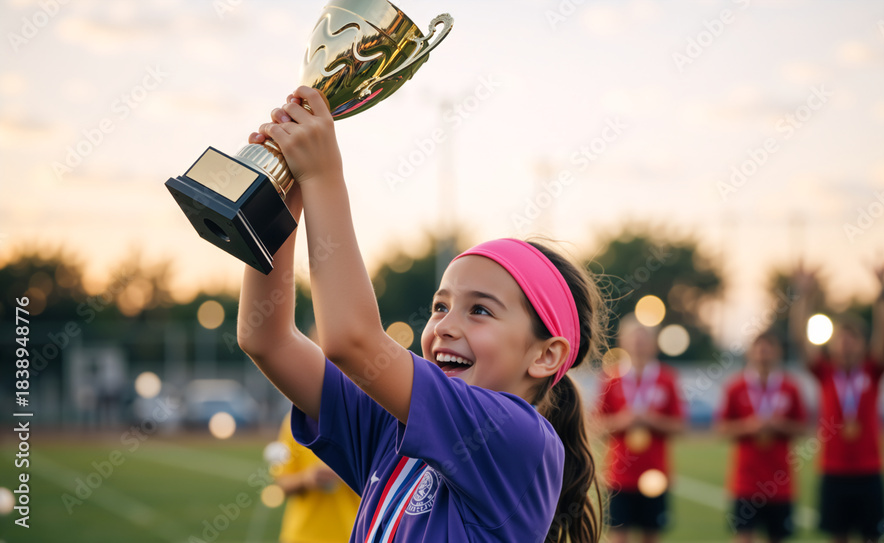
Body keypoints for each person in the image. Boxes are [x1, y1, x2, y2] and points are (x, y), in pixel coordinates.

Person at [236, 87, 605, 543]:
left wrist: (323, 174)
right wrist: (276, 207)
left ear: (546, 356)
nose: (446, 325)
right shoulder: (394, 434)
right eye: (440, 306)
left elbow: (351, 340)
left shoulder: (519, 437)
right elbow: (266, 339)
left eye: (480, 310)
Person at [790, 265, 884, 543]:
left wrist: (883, 296)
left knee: (873, 536)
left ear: (862, 344)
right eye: (841, 340)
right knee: (838, 537)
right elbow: (800, 338)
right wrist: (804, 297)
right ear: (832, 345)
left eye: (852, 339)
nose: (846, 345)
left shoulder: (872, 370)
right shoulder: (825, 372)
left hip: (869, 469)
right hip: (833, 470)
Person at [594, 315, 686, 543]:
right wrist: (623, 421)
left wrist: (651, 420)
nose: (638, 344)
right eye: (633, 338)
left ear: (653, 343)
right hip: (619, 476)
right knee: (618, 536)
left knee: (651, 534)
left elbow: (680, 426)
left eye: (643, 339)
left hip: (655, 473)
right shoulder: (611, 378)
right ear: (623, 341)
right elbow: (596, 425)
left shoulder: (667, 379)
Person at [716, 331, 807, 543]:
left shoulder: (790, 387)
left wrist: (779, 426)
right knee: (743, 536)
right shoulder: (735, 387)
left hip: (780, 482)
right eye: (759, 350)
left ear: (778, 353)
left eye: (768, 350)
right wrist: (749, 427)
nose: (763, 355)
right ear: (750, 354)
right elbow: (721, 429)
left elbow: (803, 428)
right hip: (745, 482)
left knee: (778, 537)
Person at [273, 412, 361, 543]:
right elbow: (282, 483)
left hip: (353, 532)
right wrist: (307, 479)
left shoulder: (363, 416)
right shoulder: (295, 420)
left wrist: (348, 471)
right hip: (303, 535)